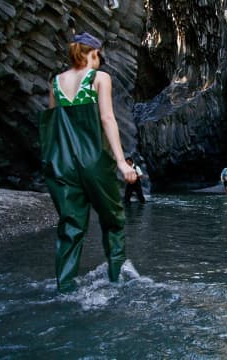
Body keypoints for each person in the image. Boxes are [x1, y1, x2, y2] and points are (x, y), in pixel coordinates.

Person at [38, 32, 137, 292]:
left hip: (61, 164)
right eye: (99, 55)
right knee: (112, 218)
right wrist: (121, 162)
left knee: (71, 226)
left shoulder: (55, 82)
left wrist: (51, 162)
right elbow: (107, 119)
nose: (100, 61)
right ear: (92, 53)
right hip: (93, 160)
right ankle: (117, 279)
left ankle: (66, 287)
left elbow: (52, 125)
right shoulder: (99, 78)